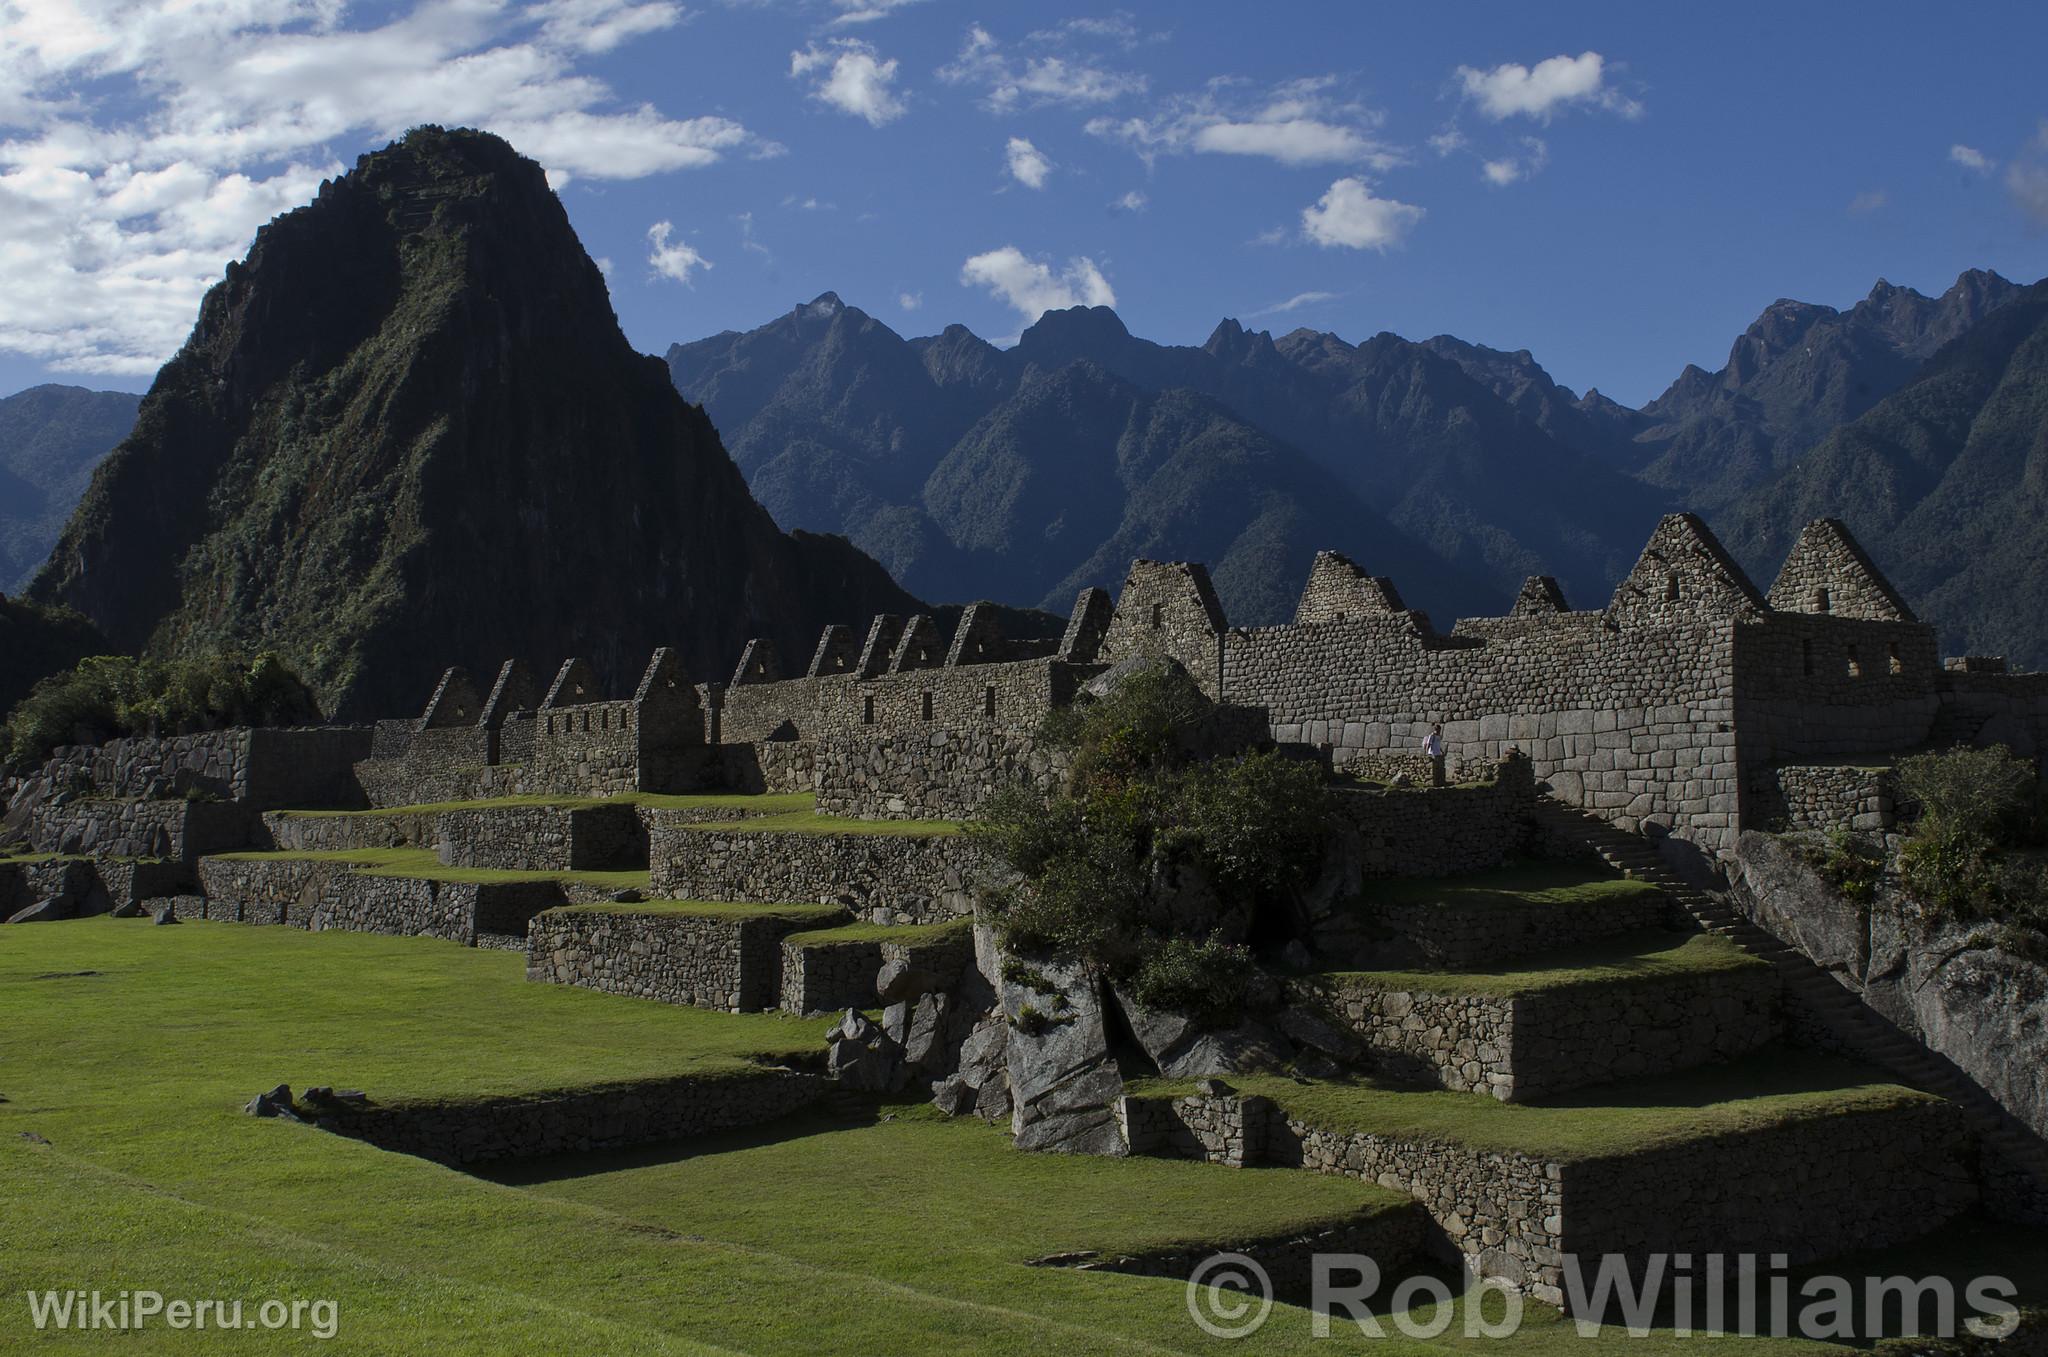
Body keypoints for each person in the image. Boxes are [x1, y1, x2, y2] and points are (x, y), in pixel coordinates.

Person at [1424, 722, 1446, 787]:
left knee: (1439, 768)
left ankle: (1440, 782)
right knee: (1434, 769)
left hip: (1438, 753)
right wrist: (1426, 752)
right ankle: (1435, 783)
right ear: (1437, 729)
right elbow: (1429, 744)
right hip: (1433, 753)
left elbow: (1438, 745)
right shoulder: (1432, 736)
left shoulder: (1438, 736)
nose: (1440, 731)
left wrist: (1441, 751)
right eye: (1439, 730)